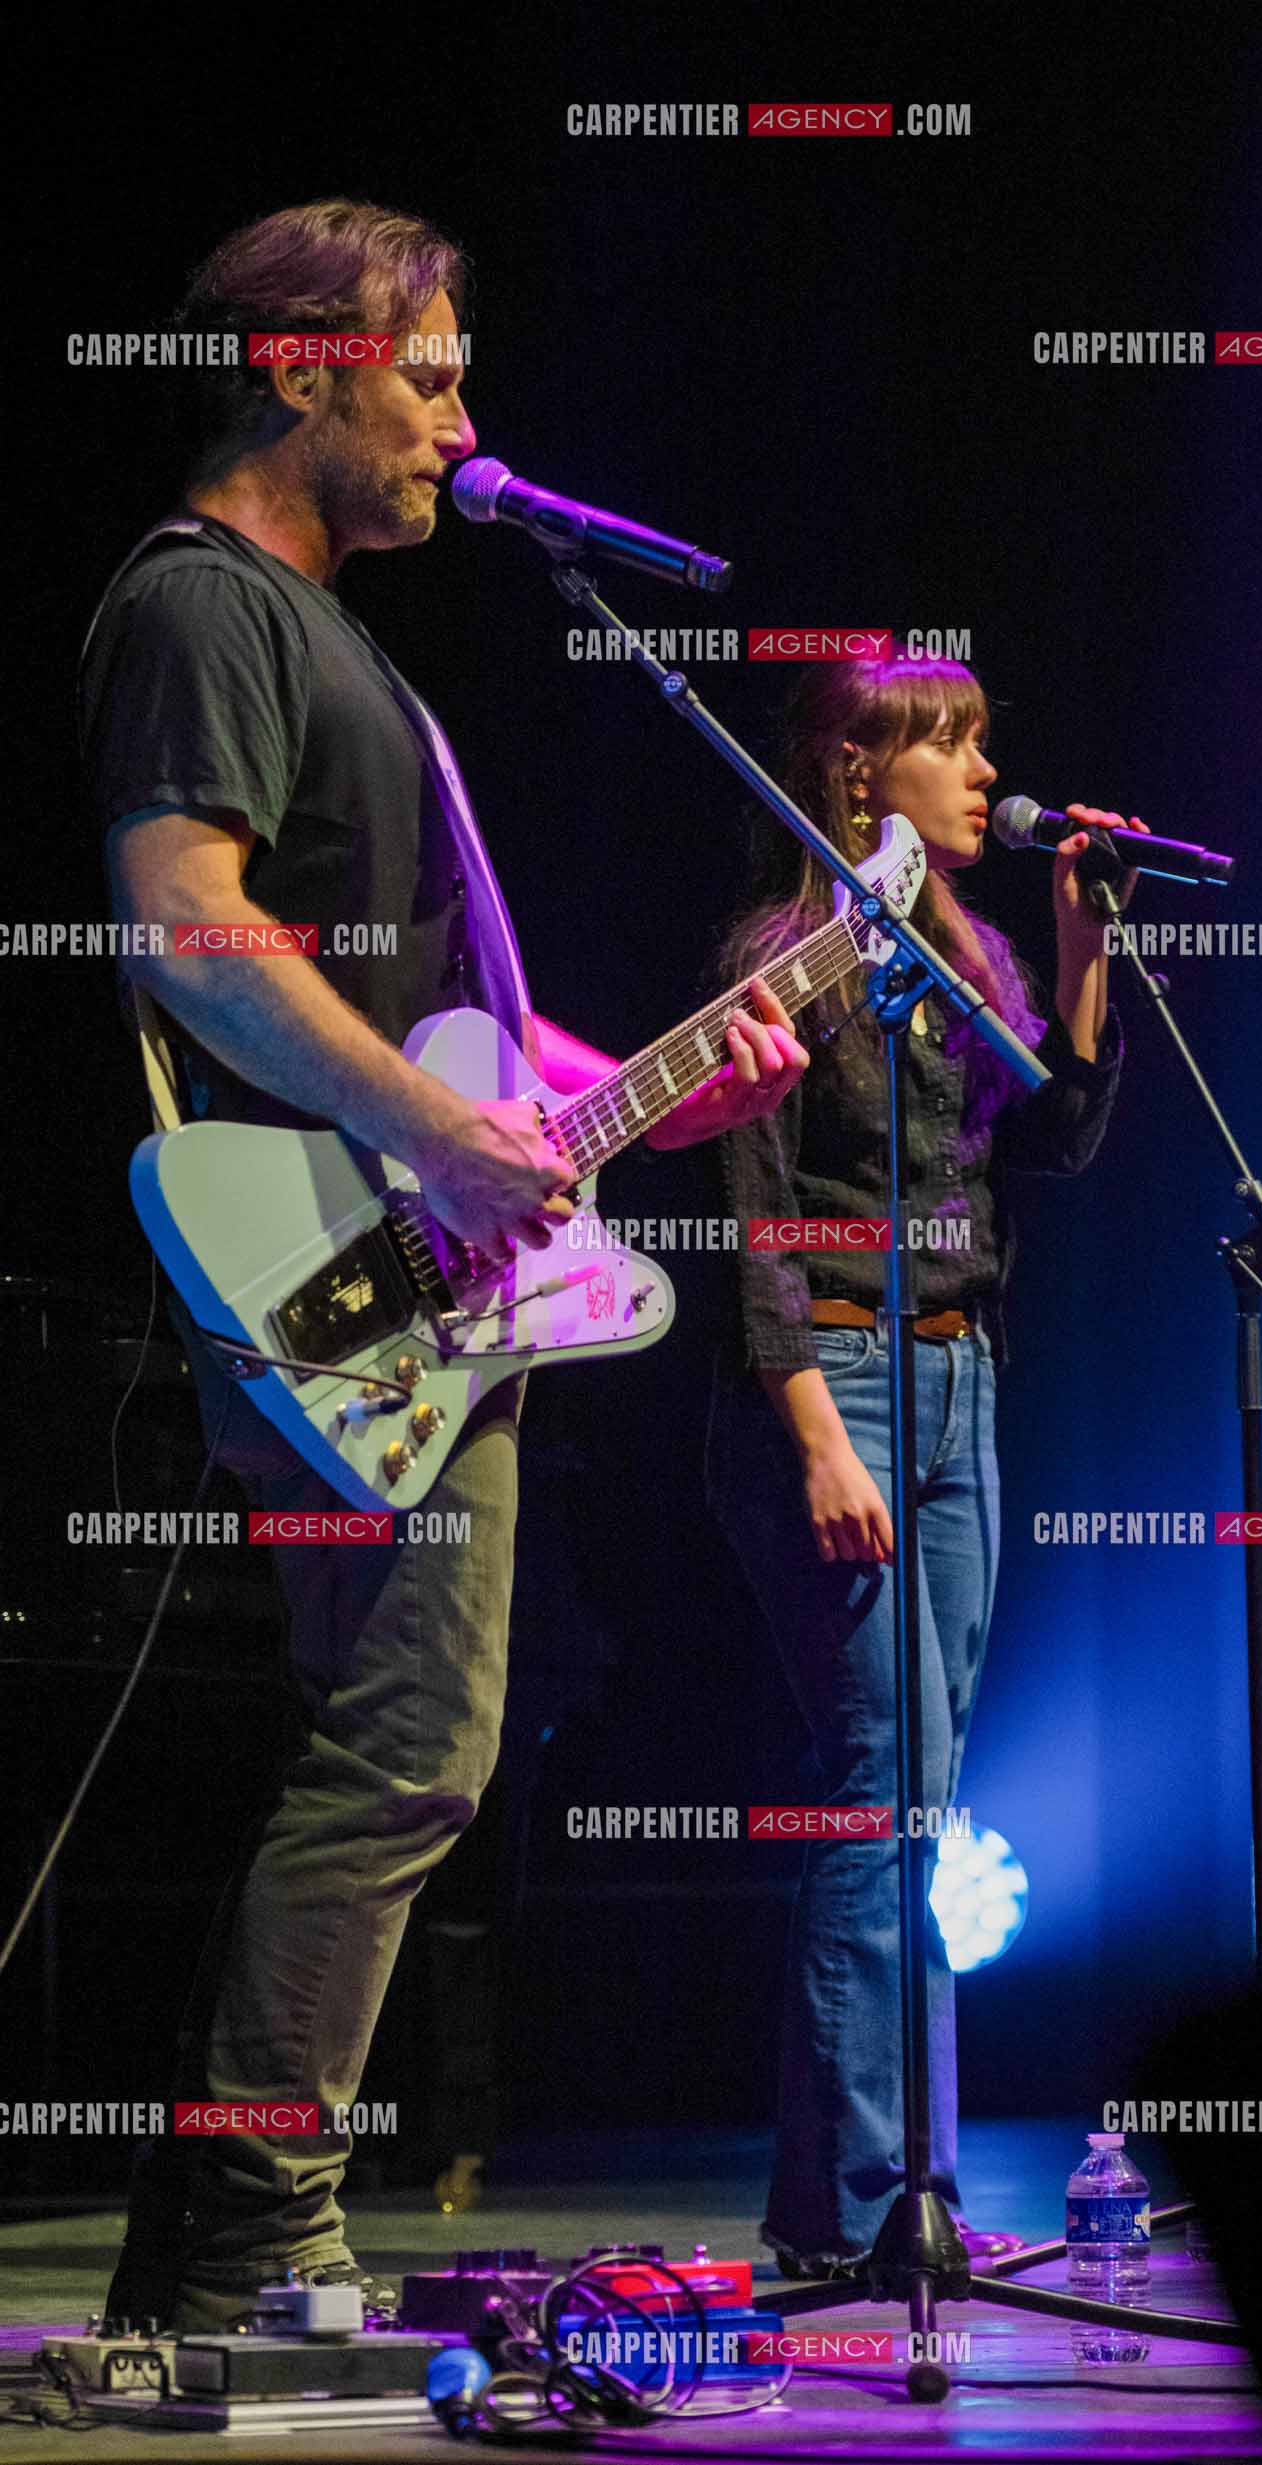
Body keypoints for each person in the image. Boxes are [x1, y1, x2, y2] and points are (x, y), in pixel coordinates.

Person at [81, 197, 806, 2333]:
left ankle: (211, 2247)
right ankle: (252, 2243)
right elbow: (178, 916)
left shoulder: (353, 652)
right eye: (433, 373)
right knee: (404, 1746)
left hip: (423, 1281)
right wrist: (424, 1129)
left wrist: (661, 1092)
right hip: (332, 1281)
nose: (460, 423)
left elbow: (483, 1056)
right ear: (305, 367)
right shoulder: (206, 605)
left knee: (407, 1746)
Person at [705, 655, 1143, 2274]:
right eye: (945, 742)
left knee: (917, 1804)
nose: (980, 769)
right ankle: (885, 2198)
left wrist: (1086, 943)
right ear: (851, 775)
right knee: (877, 1800)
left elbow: (1061, 1133)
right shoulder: (787, 955)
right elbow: (751, 1221)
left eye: (979, 737)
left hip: (966, 1382)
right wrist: (815, 1430)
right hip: (847, 1382)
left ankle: (862, 2204)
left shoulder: (960, 955)